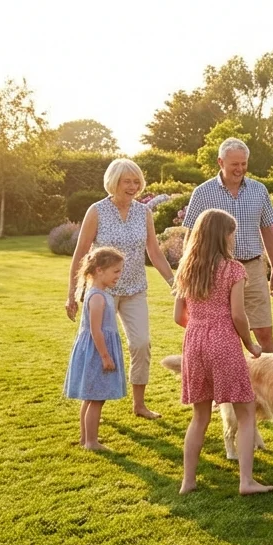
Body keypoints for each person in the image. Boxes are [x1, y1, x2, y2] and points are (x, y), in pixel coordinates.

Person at [66, 157, 175, 420]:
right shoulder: (97, 211)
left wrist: (174, 281)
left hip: (135, 288)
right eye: (127, 181)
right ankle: (92, 406)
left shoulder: (144, 212)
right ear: (114, 182)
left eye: (137, 181)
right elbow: (81, 253)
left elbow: (154, 250)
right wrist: (72, 293)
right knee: (95, 344)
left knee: (141, 343)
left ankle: (139, 404)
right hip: (103, 292)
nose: (133, 186)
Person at [173, 208, 272, 496]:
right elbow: (239, 316)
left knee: (200, 416)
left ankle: (188, 481)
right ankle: (246, 481)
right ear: (222, 236)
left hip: (194, 341)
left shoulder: (186, 269)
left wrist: (199, 329)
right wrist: (250, 344)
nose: (234, 239)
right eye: (232, 234)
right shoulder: (233, 269)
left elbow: (179, 315)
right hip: (224, 341)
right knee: (245, 413)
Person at [182, 138, 273, 353]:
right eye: (234, 164)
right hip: (215, 271)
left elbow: (267, 230)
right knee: (220, 332)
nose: (240, 169)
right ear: (220, 162)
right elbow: (191, 235)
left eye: (243, 163)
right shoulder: (202, 192)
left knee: (264, 332)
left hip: (252, 268)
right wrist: (186, 272)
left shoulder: (258, 190)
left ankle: (269, 384)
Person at [64, 246, 129, 451]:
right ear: (99, 270)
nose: (118, 275)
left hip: (94, 352)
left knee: (90, 397)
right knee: (97, 399)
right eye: (115, 271)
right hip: (96, 353)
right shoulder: (98, 297)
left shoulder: (99, 294)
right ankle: (91, 442)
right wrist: (105, 356)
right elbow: (96, 330)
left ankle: (86, 439)